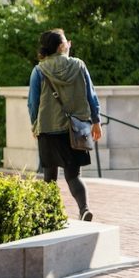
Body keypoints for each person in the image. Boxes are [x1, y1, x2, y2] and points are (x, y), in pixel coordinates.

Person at [28, 29, 103, 222]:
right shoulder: (79, 65)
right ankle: (84, 209)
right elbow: (91, 96)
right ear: (61, 46)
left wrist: (34, 124)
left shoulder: (39, 70)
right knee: (73, 175)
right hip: (76, 129)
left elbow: (33, 102)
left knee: (49, 176)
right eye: (66, 42)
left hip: (48, 128)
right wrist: (96, 121)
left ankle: (49, 214)